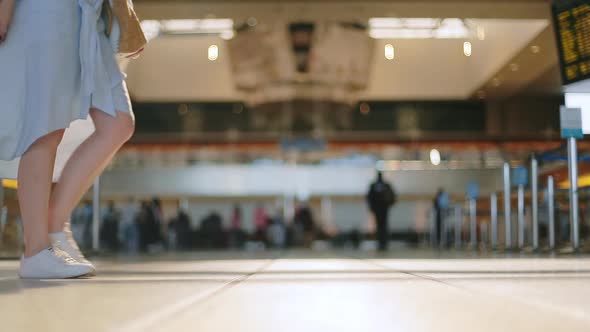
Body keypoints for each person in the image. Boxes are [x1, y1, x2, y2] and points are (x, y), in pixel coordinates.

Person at [0, 0, 137, 278]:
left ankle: (53, 225)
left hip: (87, 16)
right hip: (44, 13)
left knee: (118, 122)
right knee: (44, 127)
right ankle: (37, 250)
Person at [367, 171, 397, 252]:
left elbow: (392, 196)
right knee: (380, 226)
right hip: (379, 209)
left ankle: (383, 242)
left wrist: (389, 204)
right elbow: (369, 197)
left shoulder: (385, 185)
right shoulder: (375, 185)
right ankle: (381, 242)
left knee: (383, 226)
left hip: (384, 209)